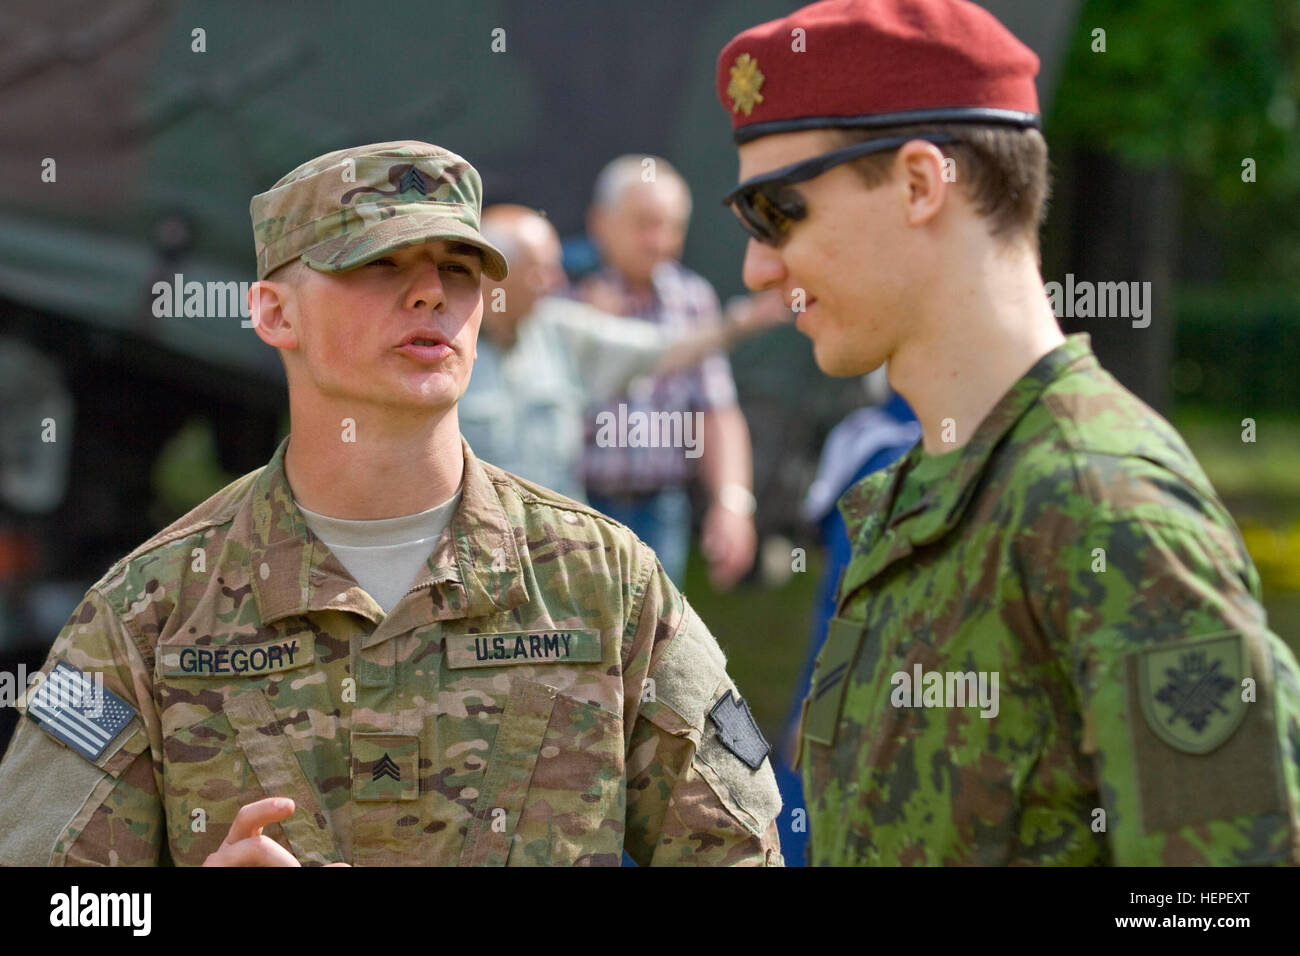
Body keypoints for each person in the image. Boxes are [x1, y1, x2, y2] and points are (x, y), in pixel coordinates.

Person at [0, 141, 783, 867]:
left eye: (460, 269)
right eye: (378, 265)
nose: (430, 294)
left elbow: (742, 855)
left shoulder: (607, 585)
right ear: (275, 313)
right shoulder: (148, 612)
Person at [715, 0, 1300, 865]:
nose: (758, 267)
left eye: (780, 213)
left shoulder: (1102, 506)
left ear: (921, 183)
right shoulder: (910, 496)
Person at [462, 204, 786, 503]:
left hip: (553, 546)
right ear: (496, 274)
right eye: (540, 270)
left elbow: (663, 349)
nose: (555, 281)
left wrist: (741, 322)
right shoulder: (447, 347)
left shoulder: (560, 330)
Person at [580, 156, 758, 591]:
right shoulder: (561, 293)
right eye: (644, 224)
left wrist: (732, 503)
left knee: (657, 647)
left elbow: (716, 411)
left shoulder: (693, 298)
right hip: (576, 505)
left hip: (661, 510)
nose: (658, 241)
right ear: (600, 223)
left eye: (672, 227)